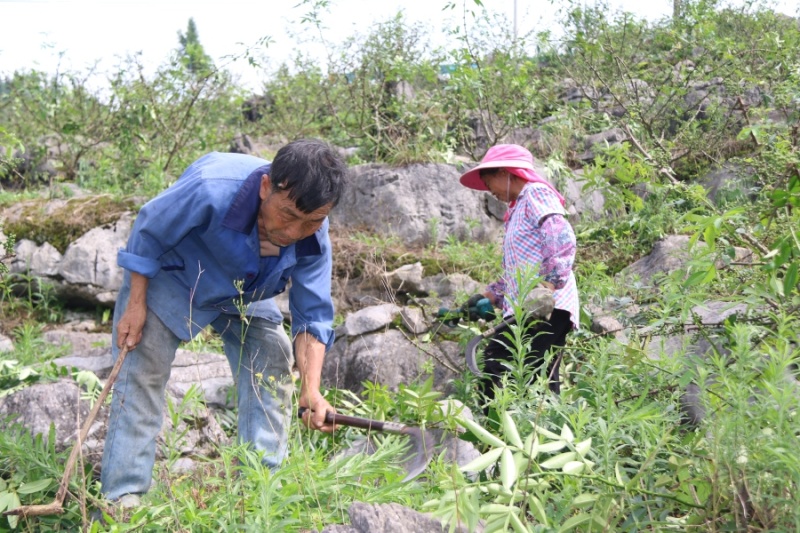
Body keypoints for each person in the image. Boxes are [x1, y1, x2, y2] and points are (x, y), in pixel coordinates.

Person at [100, 139, 347, 505]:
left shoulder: (315, 231)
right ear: (267, 187)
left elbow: (312, 314)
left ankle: (260, 491)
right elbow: (149, 231)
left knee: (271, 363)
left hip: (247, 290)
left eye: (311, 222)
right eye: (288, 216)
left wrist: (311, 389)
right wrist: (136, 304)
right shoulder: (211, 186)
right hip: (176, 276)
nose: (294, 232)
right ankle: (123, 499)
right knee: (141, 372)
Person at [458, 144, 579, 404]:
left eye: (490, 183)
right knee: (540, 376)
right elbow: (521, 270)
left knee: (498, 364)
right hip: (533, 303)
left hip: (543, 305)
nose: (491, 192)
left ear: (506, 173)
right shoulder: (518, 209)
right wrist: (489, 295)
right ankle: (549, 435)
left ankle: (495, 433)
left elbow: (561, 235)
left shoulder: (535, 193)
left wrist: (548, 286)